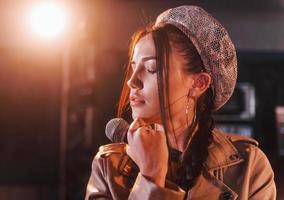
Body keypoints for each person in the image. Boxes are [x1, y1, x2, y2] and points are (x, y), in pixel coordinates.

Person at [85, 5, 276, 200]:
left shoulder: (248, 165)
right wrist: (150, 177)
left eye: (152, 69)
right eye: (133, 68)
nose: (131, 81)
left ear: (199, 83)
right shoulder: (109, 167)